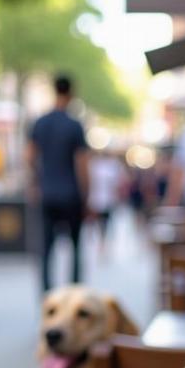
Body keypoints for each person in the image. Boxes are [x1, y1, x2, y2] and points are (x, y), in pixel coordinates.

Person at [27, 75, 89, 292]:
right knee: (75, 249)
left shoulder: (40, 123)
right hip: (71, 194)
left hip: (47, 193)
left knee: (46, 251)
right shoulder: (75, 126)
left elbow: (30, 158)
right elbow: (82, 165)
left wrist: (35, 184)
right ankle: (73, 296)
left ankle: (48, 300)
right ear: (71, 93)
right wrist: (86, 195)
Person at [86, 149, 126, 253]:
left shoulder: (112, 165)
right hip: (96, 199)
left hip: (108, 200)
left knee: (106, 222)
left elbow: (119, 182)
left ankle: (103, 242)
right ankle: (100, 241)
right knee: (97, 222)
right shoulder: (94, 164)